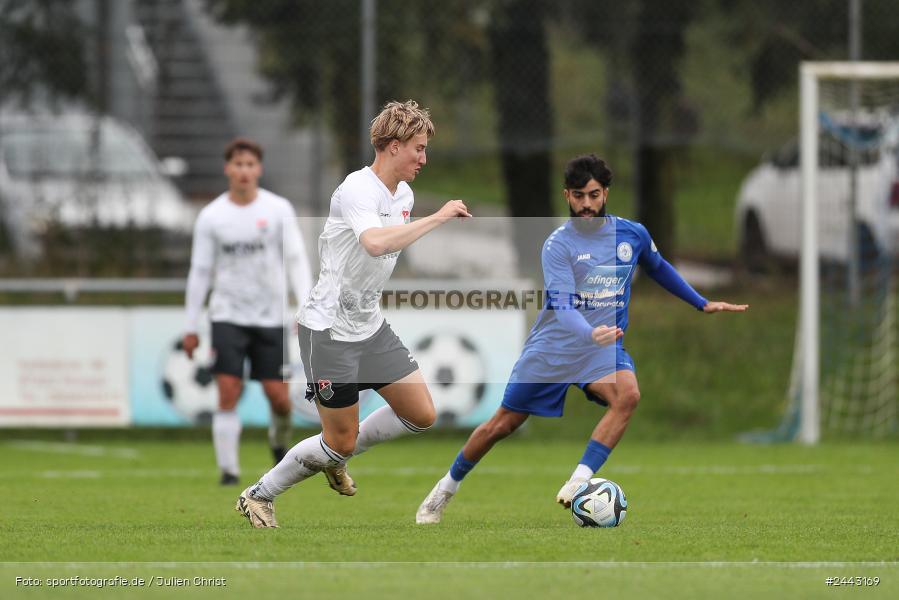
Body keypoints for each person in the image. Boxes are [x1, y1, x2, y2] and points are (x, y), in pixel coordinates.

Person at [415, 154, 748, 524]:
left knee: (628, 395)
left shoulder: (632, 235)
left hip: (601, 350)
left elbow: (659, 267)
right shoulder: (558, 245)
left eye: (593, 195)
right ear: (567, 196)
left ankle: (578, 482)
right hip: (554, 347)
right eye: (578, 196)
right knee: (501, 425)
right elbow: (561, 303)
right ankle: (445, 489)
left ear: (605, 193)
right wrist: (590, 331)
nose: (586, 204)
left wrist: (701, 303)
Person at [235, 100, 472, 528]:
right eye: (418, 148)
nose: (424, 158)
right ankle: (259, 494)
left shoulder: (403, 194)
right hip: (328, 331)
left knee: (421, 414)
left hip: (369, 325)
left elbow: (388, 243)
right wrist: (437, 218)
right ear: (393, 146)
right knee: (339, 441)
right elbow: (376, 244)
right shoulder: (357, 189)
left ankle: (334, 453)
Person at [183, 137, 313, 486]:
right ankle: (229, 471)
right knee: (228, 390)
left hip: (270, 318)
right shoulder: (212, 216)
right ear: (228, 169)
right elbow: (200, 271)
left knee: (279, 399)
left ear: (259, 169)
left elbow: (296, 259)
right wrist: (191, 324)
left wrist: (305, 305)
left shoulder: (278, 209)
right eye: (237, 164)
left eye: (250, 165)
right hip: (226, 315)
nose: (244, 171)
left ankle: (278, 442)